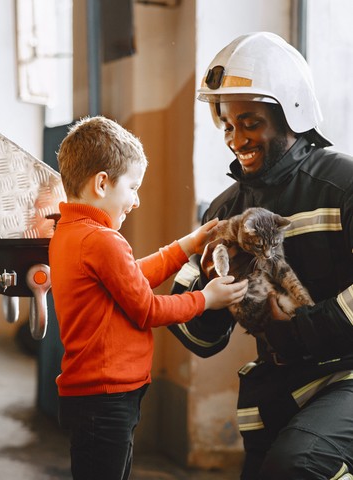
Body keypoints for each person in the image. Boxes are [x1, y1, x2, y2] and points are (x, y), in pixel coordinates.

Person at [169, 32, 353, 480]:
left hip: (346, 380)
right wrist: (211, 286)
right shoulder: (224, 211)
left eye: (250, 122)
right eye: (228, 125)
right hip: (277, 393)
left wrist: (298, 332)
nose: (235, 139)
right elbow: (198, 336)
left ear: (291, 114)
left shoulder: (343, 184)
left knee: (299, 466)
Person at [48, 115, 248, 480]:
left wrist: (187, 244)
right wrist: (206, 299)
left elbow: (131, 278)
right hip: (107, 399)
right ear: (103, 183)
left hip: (94, 395)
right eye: (133, 187)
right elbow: (147, 308)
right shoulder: (101, 240)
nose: (137, 201)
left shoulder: (71, 232)